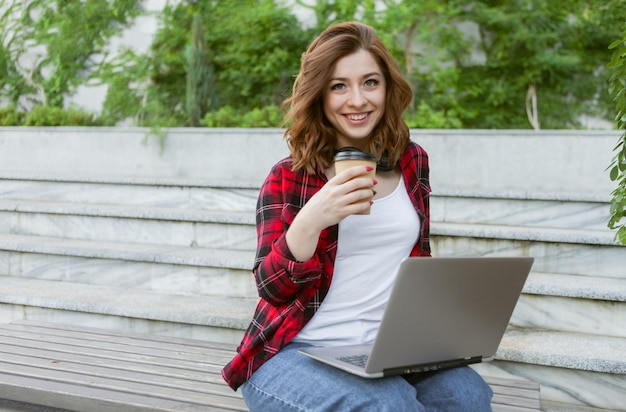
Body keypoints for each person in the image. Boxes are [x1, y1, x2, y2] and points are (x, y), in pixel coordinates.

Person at [222, 21, 493, 411]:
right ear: (320, 96)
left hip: (384, 351)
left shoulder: (412, 161)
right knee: (391, 404)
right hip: (293, 352)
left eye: (370, 82)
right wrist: (312, 219)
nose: (357, 100)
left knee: (469, 395)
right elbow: (271, 287)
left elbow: (417, 261)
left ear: (387, 88)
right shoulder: (290, 176)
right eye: (338, 86)